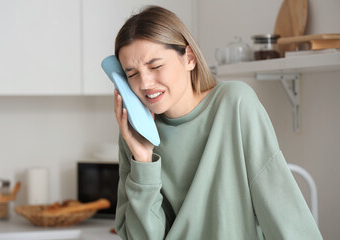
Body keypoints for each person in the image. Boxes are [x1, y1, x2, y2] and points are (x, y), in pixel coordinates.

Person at [112, 5, 322, 240]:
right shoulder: (134, 133)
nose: (145, 83)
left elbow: (280, 204)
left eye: (156, 66)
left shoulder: (234, 103)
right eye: (131, 73)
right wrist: (143, 161)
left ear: (189, 58)